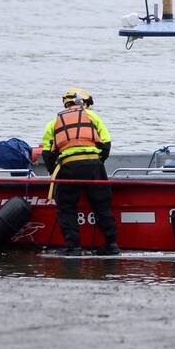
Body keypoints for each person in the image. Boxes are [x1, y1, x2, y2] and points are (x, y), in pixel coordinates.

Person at [41, 87, 118, 256]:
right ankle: (111, 245)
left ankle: (73, 247)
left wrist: (54, 171)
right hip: (94, 166)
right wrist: (97, 163)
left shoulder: (54, 123)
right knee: (102, 206)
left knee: (67, 208)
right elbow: (106, 144)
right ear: (84, 103)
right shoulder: (93, 117)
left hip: (69, 167)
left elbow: (47, 153)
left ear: (66, 104)